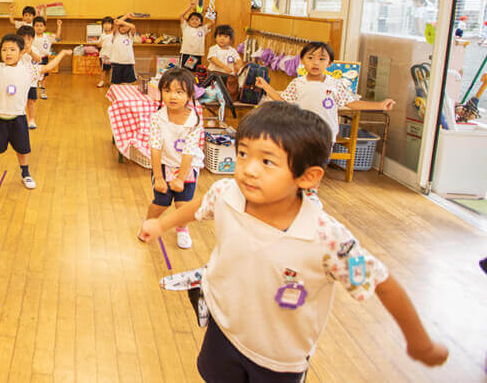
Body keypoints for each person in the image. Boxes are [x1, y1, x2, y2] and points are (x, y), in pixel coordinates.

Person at [139, 102, 449, 379]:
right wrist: (160, 223)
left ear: (308, 176)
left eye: (267, 162)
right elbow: (198, 206)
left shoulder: (325, 238)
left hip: (279, 359)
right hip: (223, 327)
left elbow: (382, 281)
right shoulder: (226, 193)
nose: (248, 169)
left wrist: (419, 340)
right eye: (243, 154)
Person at [0, 34, 70, 190]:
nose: (8, 53)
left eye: (12, 49)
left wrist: (62, 54)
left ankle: (25, 173)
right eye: (4, 50)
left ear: (21, 53)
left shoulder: (28, 70)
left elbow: (48, 67)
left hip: (18, 117)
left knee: (22, 149)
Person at [257, 41, 394, 145]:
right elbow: (283, 101)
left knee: (317, 169)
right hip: (299, 133)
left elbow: (352, 103)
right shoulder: (297, 83)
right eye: (310, 58)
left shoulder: (334, 84)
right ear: (302, 61)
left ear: (329, 63)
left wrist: (380, 105)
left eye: (322, 59)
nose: (315, 62)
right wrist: (266, 87)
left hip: (325, 134)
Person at [139, 68, 203, 249]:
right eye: (167, 91)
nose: (172, 96)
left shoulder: (194, 120)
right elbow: (155, 148)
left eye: (179, 92)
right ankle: (149, 223)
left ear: (190, 96)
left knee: (183, 204)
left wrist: (181, 178)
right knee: (160, 203)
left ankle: (182, 229)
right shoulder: (157, 118)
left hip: (187, 166)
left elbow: (189, 151)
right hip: (164, 165)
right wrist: (159, 177)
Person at [16, 26, 42, 128]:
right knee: (19, 101)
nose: (26, 41)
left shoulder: (35, 49)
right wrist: (22, 52)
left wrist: (30, 52)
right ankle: (19, 119)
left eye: (29, 38)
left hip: (31, 81)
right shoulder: (17, 49)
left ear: (33, 38)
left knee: (31, 101)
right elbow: (14, 61)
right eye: (23, 38)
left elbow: (39, 59)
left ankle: (31, 119)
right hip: (19, 80)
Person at [180, 0, 213, 72]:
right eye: (192, 19)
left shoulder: (202, 29)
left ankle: (194, 84)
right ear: (188, 21)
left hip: (197, 55)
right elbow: (181, 16)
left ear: (201, 22)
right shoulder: (186, 27)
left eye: (197, 19)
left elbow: (212, 21)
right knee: (186, 72)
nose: (194, 21)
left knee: (197, 73)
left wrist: (209, 10)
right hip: (187, 54)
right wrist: (190, 7)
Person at [31, 16, 62, 99]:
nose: (39, 28)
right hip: (34, 59)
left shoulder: (47, 36)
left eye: (41, 26)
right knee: (34, 76)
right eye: (36, 26)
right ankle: (31, 91)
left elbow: (58, 37)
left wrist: (59, 26)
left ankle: (43, 92)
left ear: (44, 27)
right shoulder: (31, 37)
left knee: (44, 77)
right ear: (33, 27)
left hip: (44, 58)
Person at [109, 14, 137, 84]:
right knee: (116, 83)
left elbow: (133, 27)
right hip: (117, 63)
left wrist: (123, 22)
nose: (123, 28)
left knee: (128, 83)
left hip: (128, 63)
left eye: (126, 26)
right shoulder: (116, 34)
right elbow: (115, 22)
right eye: (121, 26)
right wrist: (126, 16)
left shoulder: (130, 35)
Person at [95, 16, 115, 88]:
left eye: (109, 23)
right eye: (105, 24)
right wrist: (100, 42)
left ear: (112, 25)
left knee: (111, 69)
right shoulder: (102, 35)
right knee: (104, 69)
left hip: (112, 55)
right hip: (103, 55)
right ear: (102, 25)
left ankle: (111, 82)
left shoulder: (114, 34)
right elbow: (98, 45)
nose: (106, 25)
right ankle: (102, 81)